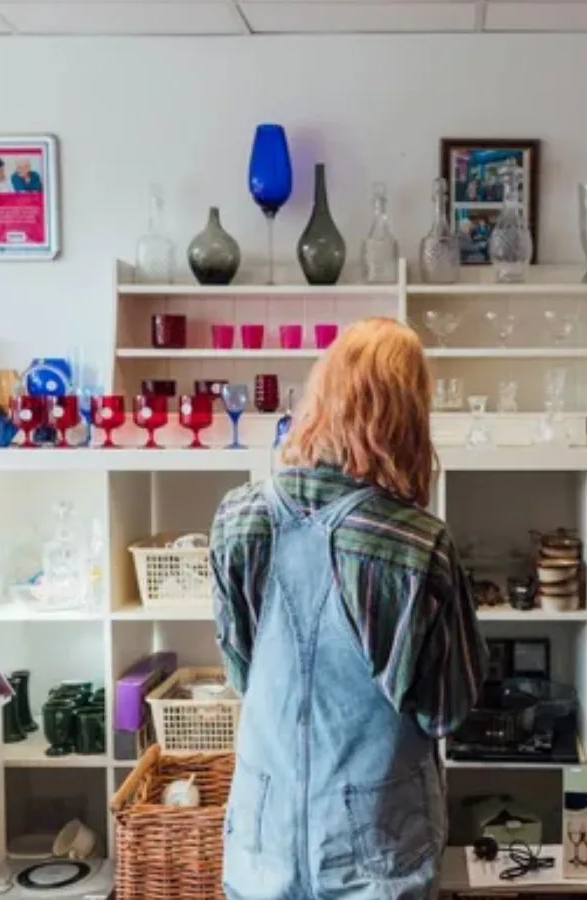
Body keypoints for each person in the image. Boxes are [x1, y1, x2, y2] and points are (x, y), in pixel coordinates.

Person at [211, 317, 485, 900]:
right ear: (408, 415)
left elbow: (243, 674)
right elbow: (446, 711)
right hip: (376, 839)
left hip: (261, 831)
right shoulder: (416, 543)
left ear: (322, 397)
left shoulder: (237, 518)